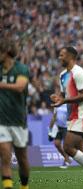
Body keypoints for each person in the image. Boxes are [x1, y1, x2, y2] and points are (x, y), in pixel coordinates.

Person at [50, 46, 83, 189]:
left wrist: (65, 101)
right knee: (81, 150)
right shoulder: (62, 75)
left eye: (62, 55)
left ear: (71, 57)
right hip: (71, 115)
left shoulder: (78, 73)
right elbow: (64, 95)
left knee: (68, 147)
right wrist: (58, 98)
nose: (59, 57)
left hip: (81, 114)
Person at [0, 38, 30, 189]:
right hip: (2, 121)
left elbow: (20, 87)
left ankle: (24, 186)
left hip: (18, 120)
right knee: (5, 154)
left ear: (6, 53)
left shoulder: (21, 69)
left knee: (22, 159)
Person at [48, 103, 71, 168]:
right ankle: (67, 158)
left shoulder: (67, 104)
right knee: (57, 144)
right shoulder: (56, 105)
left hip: (66, 127)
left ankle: (66, 161)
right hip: (58, 127)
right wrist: (50, 131)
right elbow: (54, 117)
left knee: (66, 145)